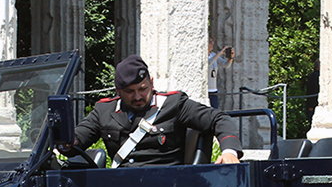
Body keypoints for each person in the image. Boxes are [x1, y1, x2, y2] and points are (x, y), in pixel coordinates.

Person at [71, 55, 243, 167]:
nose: (138, 96)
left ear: (151, 82)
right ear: (118, 90)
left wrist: (229, 152)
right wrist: (66, 142)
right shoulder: (104, 111)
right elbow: (78, 139)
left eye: (143, 89)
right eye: (130, 92)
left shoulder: (174, 105)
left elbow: (218, 118)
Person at [207, 40, 234, 109]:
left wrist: (231, 57)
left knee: (214, 110)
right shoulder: (204, 56)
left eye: (212, 42)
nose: (212, 44)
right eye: (210, 42)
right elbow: (208, 63)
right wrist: (219, 53)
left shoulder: (213, 55)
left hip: (213, 89)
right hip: (206, 90)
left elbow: (226, 64)